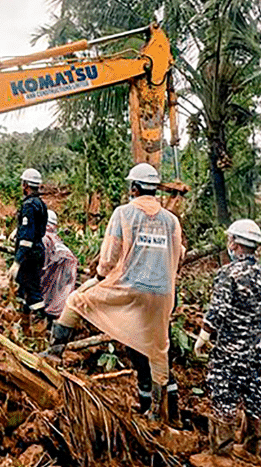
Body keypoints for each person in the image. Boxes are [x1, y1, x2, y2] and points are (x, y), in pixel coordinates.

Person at [47, 163, 184, 417]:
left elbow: (110, 254)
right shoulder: (172, 221)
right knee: (157, 350)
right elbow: (180, 255)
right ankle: (156, 411)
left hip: (128, 288)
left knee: (77, 300)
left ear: (134, 188)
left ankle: (54, 354)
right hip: (163, 294)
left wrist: (99, 276)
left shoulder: (124, 213)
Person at [195, 219, 261, 457]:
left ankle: (221, 454)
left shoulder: (228, 274)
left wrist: (204, 335)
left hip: (231, 347)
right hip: (257, 346)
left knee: (224, 393)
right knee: (254, 391)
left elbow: (218, 310)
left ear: (234, 243)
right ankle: (253, 448)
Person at [13, 168, 48, 334]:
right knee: (24, 290)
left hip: (29, 255)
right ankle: (24, 326)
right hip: (37, 252)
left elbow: (27, 238)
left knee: (33, 292)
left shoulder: (28, 205)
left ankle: (44, 326)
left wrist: (17, 261)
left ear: (25, 185)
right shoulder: (40, 204)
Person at [40, 209, 79, 322]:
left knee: (53, 294)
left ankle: (50, 315)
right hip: (67, 264)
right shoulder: (52, 236)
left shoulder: (44, 236)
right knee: (59, 293)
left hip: (61, 264)